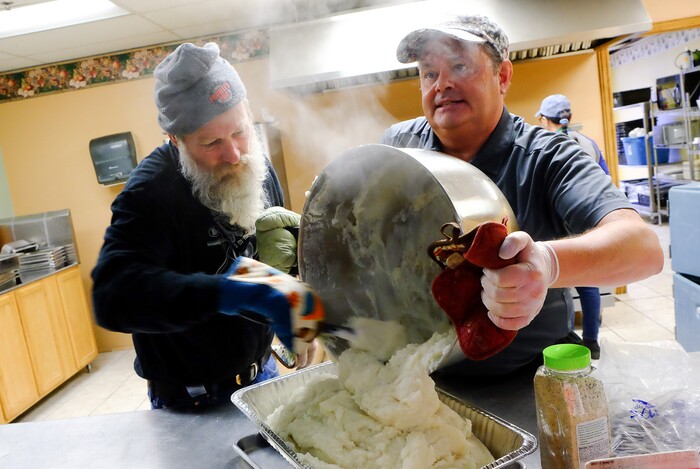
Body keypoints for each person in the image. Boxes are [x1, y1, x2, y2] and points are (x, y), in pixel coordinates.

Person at [381, 14, 664, 376]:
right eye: (429, 73)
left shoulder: (548, 157)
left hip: (526, 380)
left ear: (502, 77)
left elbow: (643, 249)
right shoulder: (398, 147)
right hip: (421, 381)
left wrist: (549, 263)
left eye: (460, 65)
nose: (442, 84)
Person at [91, 42, 321, 409]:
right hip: (191, 399)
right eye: (212, 142)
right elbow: (113, 296)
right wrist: (228, 292)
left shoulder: (254, 165)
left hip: (261, 374)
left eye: (241, 132)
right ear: (175, 141)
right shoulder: (149, 193)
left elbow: (271, 259)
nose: (234, 155)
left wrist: (297, 300)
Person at [536, 93, 609, 359]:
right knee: (588, 285)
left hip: (553, 227)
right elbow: (606, 183)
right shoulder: (588, 144)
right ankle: (591, 342)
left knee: (555, 288)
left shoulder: (543, 143)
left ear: (544, 119)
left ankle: (562, 339)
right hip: (585, 224)